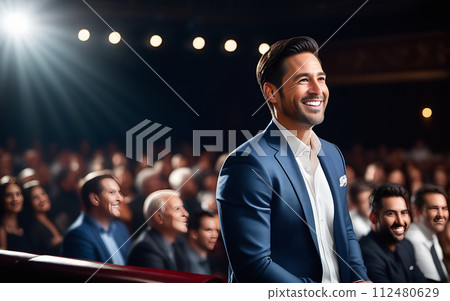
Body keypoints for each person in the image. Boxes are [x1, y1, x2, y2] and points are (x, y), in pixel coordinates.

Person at [216, 36, 370, 283]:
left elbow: (345, 232)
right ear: (271, 93)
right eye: (303, 80)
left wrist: (359, 281)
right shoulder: (247, 164)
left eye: (321, 78)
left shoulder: (333, 155)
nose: (317, 89)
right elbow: (253, 267)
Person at [359, 183, 426, 282]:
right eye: (391, 214)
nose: (400, 221)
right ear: (373, 218)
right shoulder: (366, 254)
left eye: (404, 213)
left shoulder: (407, 245)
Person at [61, 171, 130, 264]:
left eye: (119, 192)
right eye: (112, 192)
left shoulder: (120, 227)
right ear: (95, 199)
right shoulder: (77, 235)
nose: (121, 198)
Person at [127, 189, 190, 271]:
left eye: (183, 208)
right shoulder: (146, 249)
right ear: (158, 217)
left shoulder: (179, 242)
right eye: (177, 209)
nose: (186, 214)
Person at [406, 185, 449, 282]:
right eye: (434, 208)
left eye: (444, 209)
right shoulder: (414, 240)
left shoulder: (431, 235)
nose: (441, 215)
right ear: (416, 211)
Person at [22, 181, 63, 255]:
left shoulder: (51, 218)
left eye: (43, 194)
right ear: (29, 202)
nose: (42, 199)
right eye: (35, 197)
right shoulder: (32, 227)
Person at [0, 176, 31, 252]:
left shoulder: (26, 223)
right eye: (9, 195)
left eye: (18, 194)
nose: (15, 199)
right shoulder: (1, 229)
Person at [184, 210, 219, 275]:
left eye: (216, 230)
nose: (215, 235)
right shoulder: (186, 263)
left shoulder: (206, 260)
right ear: (194, 234)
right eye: (208, 230)